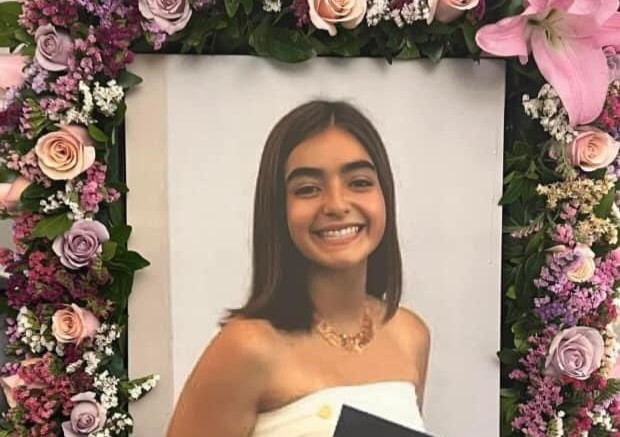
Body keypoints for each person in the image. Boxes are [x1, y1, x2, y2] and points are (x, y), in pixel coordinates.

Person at [165, 100, 431, 437]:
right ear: (279, 209)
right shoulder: (247, 348)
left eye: (359, 182)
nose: (336, 204)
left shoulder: (409, 335)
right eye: (308, 189)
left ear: (385, 194)